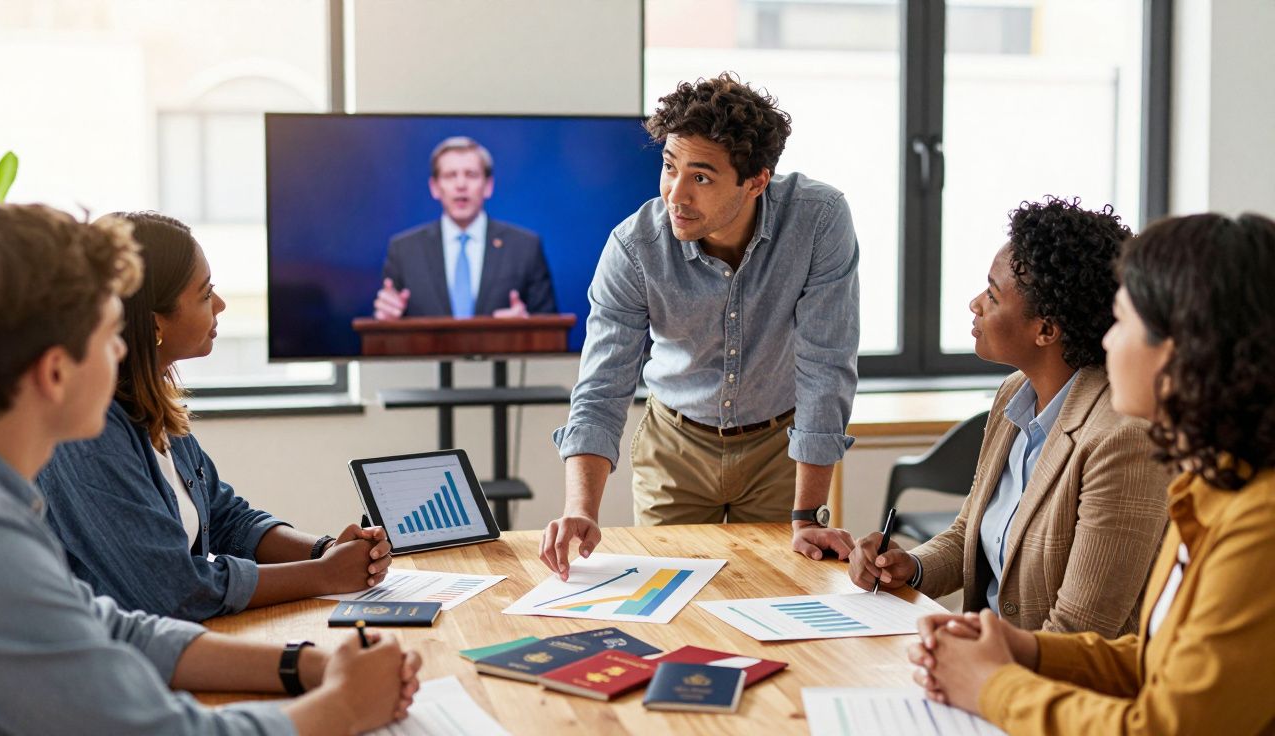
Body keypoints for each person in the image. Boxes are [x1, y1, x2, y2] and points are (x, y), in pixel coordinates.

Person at [0, 200, 421, 735]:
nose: (120, 351)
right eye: (109, 333)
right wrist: (343, 706)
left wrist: (308, 664)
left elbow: (115, 629)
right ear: (56, 371)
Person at [910, 212, 1275, 734]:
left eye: (1122, 321)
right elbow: (1154, 659)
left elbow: (1164, 727)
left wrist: (992, 686)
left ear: (1182, 353)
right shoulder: (1208, 488)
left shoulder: (1258, 525)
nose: (1105, 341)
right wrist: (1029, 651)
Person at [541, 72, 861, 580]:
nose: (676, 194)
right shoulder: (633, 248)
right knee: (672, 600)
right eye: (670, 167)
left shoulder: (818, 220)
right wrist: (581, 510)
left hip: (778, 447)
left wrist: (807, 514)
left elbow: (825, 364)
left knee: (782, 595)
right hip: (675, 448)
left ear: (757, 180)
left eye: (702, 177)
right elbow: (602, 388)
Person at [38, 211, 393, 622]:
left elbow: (227, 520)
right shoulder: (88, 436)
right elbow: (174, 591)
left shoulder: (156, 407)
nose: (221, 305)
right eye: (206, 295)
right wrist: (323, 575)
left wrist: (324, 550)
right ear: (155, 324)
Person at [846, 198, 1170, 636]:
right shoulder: (1015, 393)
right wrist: (912, 566)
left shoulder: (1122, 440)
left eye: (992, 296)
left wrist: (979, 667)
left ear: (1046, 330)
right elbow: (970, 533)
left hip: (1052, 686)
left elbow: (1080, 631)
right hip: (990, 660)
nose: (974, 304)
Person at [373, 136, 556, 319]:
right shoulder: (404, 250)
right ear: (435, 187)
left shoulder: (525, 247)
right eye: (450, 175)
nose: (461, 185)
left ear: (488, 186)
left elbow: (550, 326)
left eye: (471, 175)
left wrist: (526, 325)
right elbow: (385, 323)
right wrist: (386, 315)